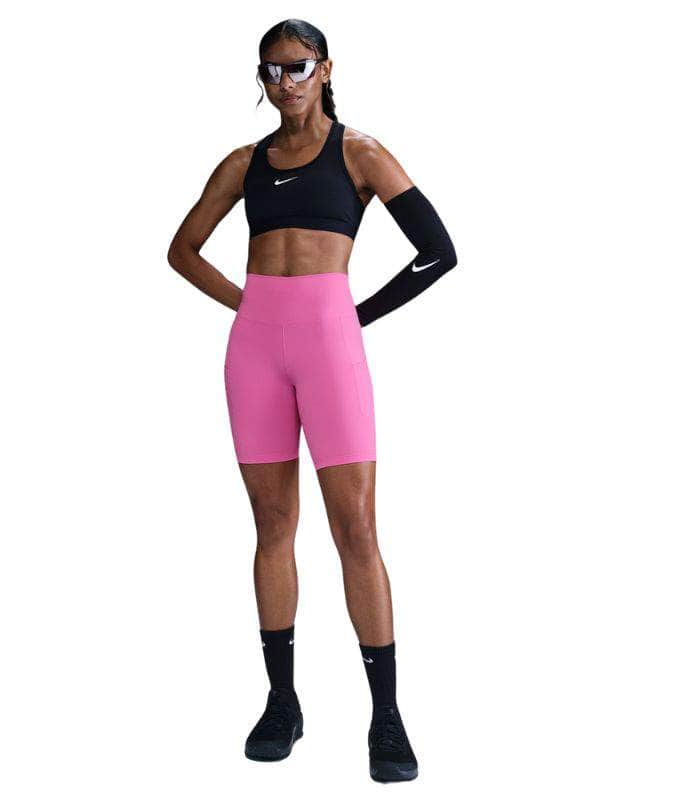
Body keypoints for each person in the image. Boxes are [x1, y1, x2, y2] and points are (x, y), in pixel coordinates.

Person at [167, 19, 457, 783]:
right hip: (255, 355)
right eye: (270, 70)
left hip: (331, 352)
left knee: (355, 528)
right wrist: (249, 305)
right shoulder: (243, 163)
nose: (284, 82)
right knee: (272, 527)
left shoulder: (360, 152)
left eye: (297, 66)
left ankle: (387, 717)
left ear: (326, 69)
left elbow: (438, 252)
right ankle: (282, 702)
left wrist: (352, 316)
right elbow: (181, 249)